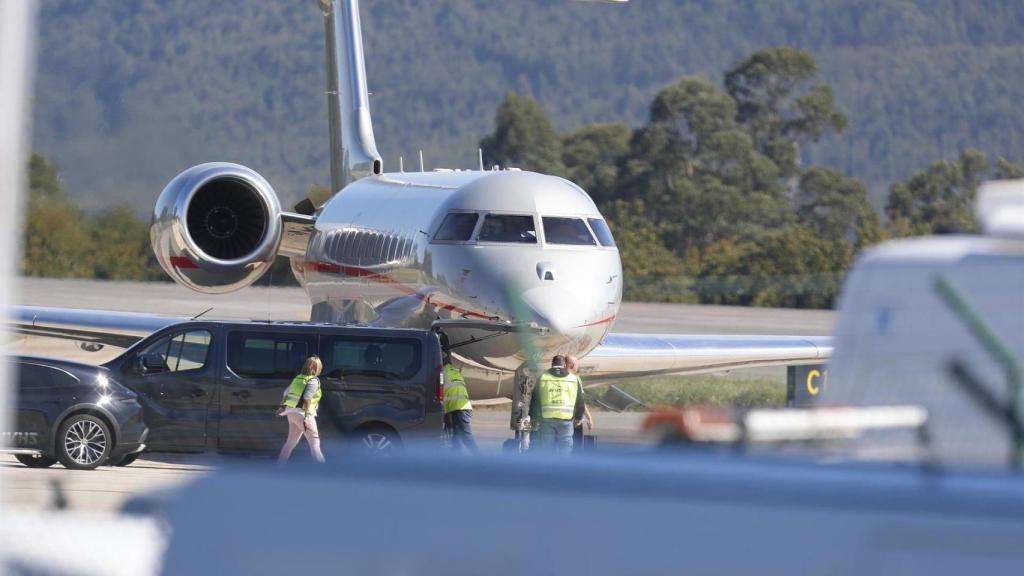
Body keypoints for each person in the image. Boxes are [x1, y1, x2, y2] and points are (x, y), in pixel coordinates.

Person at [529, 355, 584, 455]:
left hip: (547, 418)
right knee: (565, 446)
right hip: (566, 419)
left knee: (547, 447)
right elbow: (580, 400)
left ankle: (549, 464)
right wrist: (579, 417)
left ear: (552, 364)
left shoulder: (543, 377)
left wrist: (533, 417)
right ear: (564, 364)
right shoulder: (573, 379)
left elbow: (535, 399)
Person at [277, 355, 326, 464]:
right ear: (316, 368)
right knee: (315, 444)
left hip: (291, 413)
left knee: (290, 443)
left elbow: (286, 392)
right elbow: (307, 398)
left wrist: (281, 407)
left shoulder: (298, 378)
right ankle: (323, 470)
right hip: (303, 414)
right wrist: (307, 416)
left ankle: (279, 467)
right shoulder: (313, 380)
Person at [443, 351, 479, 454]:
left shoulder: (442, 372)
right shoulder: (453, 371)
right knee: (456, 438)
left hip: (459, 409)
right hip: (460, 407)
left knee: (465, 436)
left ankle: (480, 458)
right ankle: (457, 458)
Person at [565, 355, 593, 451]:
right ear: (572, 365)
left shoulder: (554, 377)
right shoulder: (575, 379)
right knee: (575, 447)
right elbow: (580, 401)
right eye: (577, 364)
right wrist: (588, 418)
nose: (578, 366)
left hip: (557, 418)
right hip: (573, 419)